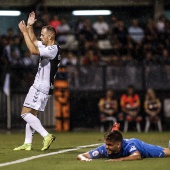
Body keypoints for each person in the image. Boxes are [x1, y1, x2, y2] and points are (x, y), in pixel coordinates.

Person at [14, 11, 61, 151]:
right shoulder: (48, 47)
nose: (41, 36)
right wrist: (29, 26)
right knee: (32, 115)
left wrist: (23, 33)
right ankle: (28, 143)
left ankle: (46, 135)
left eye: (43, 34)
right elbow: (34, 41)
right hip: (42, 87)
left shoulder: (52, 49)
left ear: (50, 36)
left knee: (24, 113)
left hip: (40, 86)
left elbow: (33, 50)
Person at [77, 130, 170, 161]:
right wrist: (84, 159)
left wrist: (119, 159)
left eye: (109, 145)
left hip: (140, 147)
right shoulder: (104, 149)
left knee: (168, 152)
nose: (106, 147)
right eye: (106, 144)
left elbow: (137, 156)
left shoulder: (129, 145)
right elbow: (81, 155)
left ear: (118, 144)